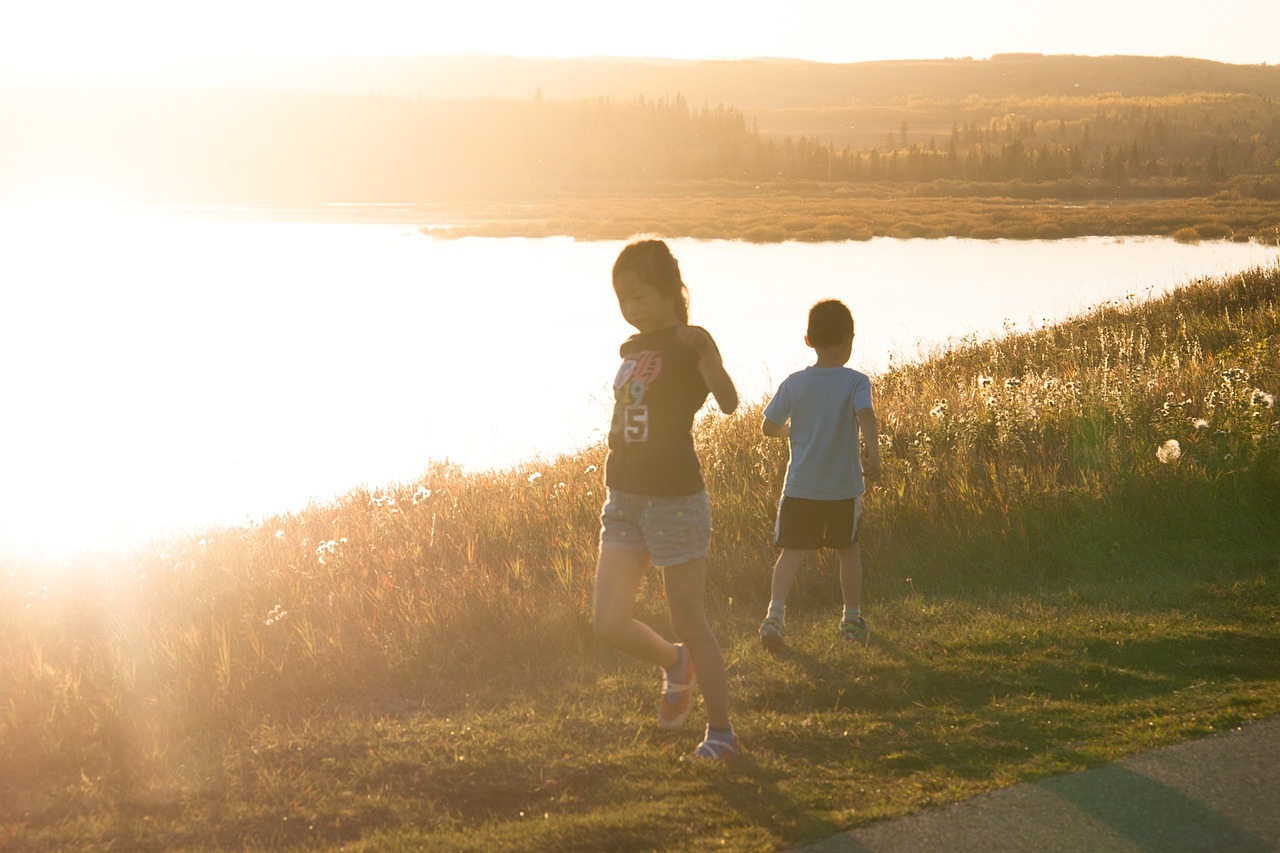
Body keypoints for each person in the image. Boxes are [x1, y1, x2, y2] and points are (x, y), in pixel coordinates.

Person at [592, 238, 741, 760]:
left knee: (688, 619)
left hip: (674, 499)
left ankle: (721, 733)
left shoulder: (689, 341)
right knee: (607, 623)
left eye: (638, 296)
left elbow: (727, 402)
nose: (629, 309)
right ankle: (675, 664)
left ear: (669, 292)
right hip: (624, 496)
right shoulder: (631, 350)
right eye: (622, 300)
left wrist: (710, 358)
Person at [759, 298, 881, 652]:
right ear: (850, 340)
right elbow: (866, 417)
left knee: (791, 552)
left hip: (800, 487)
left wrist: (792, 432)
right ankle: (851, 621)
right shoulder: (856, 381)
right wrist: (874, 455)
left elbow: (768, 426)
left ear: (808, 341)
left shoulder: (794, 383)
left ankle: (775, 617)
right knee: (849, 551)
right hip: (843, 488)